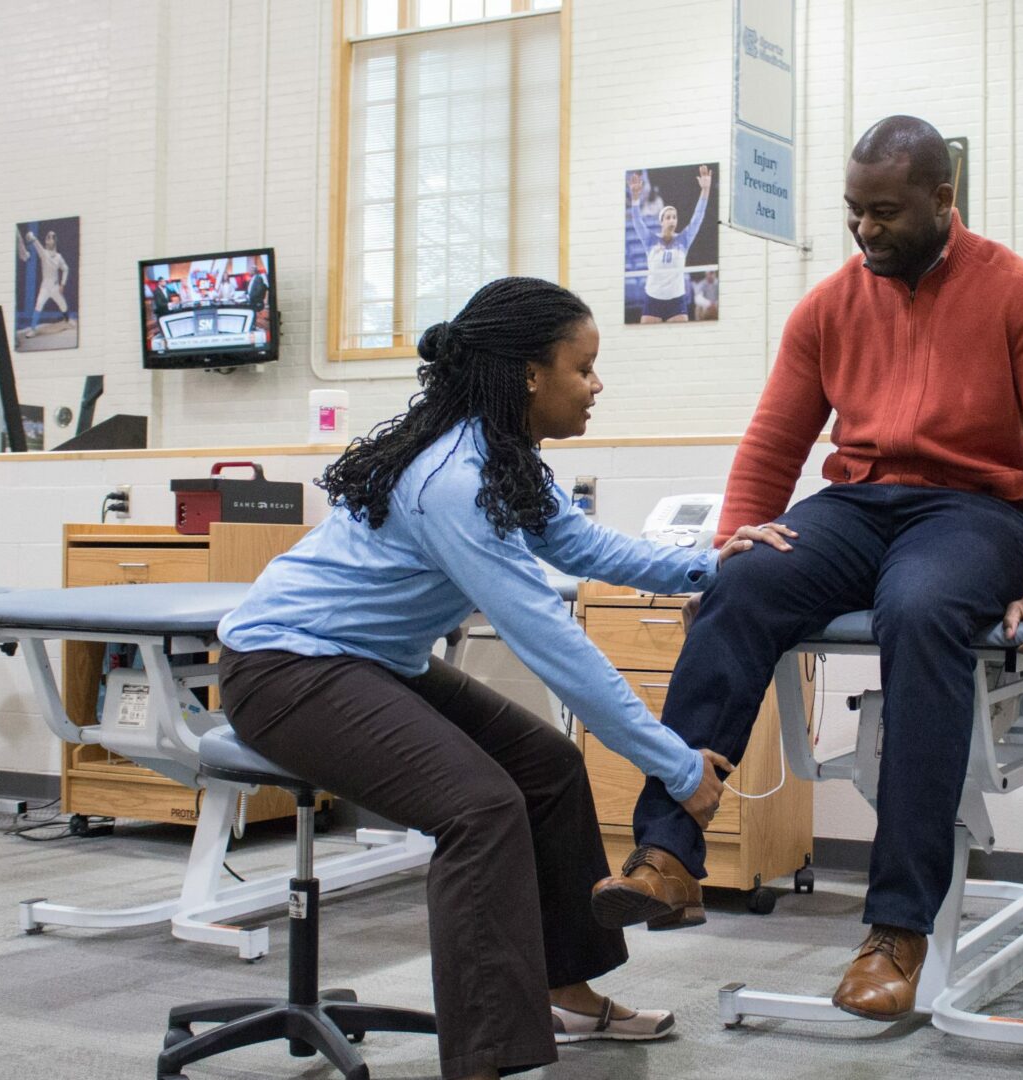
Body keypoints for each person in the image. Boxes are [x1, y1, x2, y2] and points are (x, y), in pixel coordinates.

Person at [592, 116, 1023, 1022]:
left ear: (943, 200)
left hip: (975, 510)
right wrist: (738, 537)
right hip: (859, 501)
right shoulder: (830, 303)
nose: (866, 231)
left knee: (919, 607)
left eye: (886, 213)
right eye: (853, 213)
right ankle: (669, 854)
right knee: (742, 583)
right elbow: (774, 442)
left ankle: (896, 932)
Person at [216, 276, 785, 1080]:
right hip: (284, 669)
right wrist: (675, 763)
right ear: (528, 373)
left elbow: (588, 549)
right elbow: (555, 644)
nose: (596, 385)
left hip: (364, 662)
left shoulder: (504, 457)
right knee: (480, 810)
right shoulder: (454, 479)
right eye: (582, 368)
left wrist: (708, 566)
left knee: (547, 767)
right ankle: (488, 1060)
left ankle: (567, 993)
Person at [628, 165, 711, 323]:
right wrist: (635, 198)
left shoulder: (684, 240)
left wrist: (705, 190)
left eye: (674, 217)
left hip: (676, 300)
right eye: (668, 217)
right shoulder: (650, 240)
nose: (672, 220)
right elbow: (637, 221)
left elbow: (697, 217)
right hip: (653, 300)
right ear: (661, 221)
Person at [19, 228, 72, 339]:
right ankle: (33, 329)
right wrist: (31, 237)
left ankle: (67, 320)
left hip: (55, 287)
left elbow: (66, 269)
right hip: (45, 287)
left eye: (51, 237)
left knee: (63, 305)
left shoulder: (59, 257)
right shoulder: (43, 253)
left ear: (55, 241)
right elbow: (36, 243)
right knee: (38, 305)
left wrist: (63, 284)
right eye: (47, 237)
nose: (49, 238)